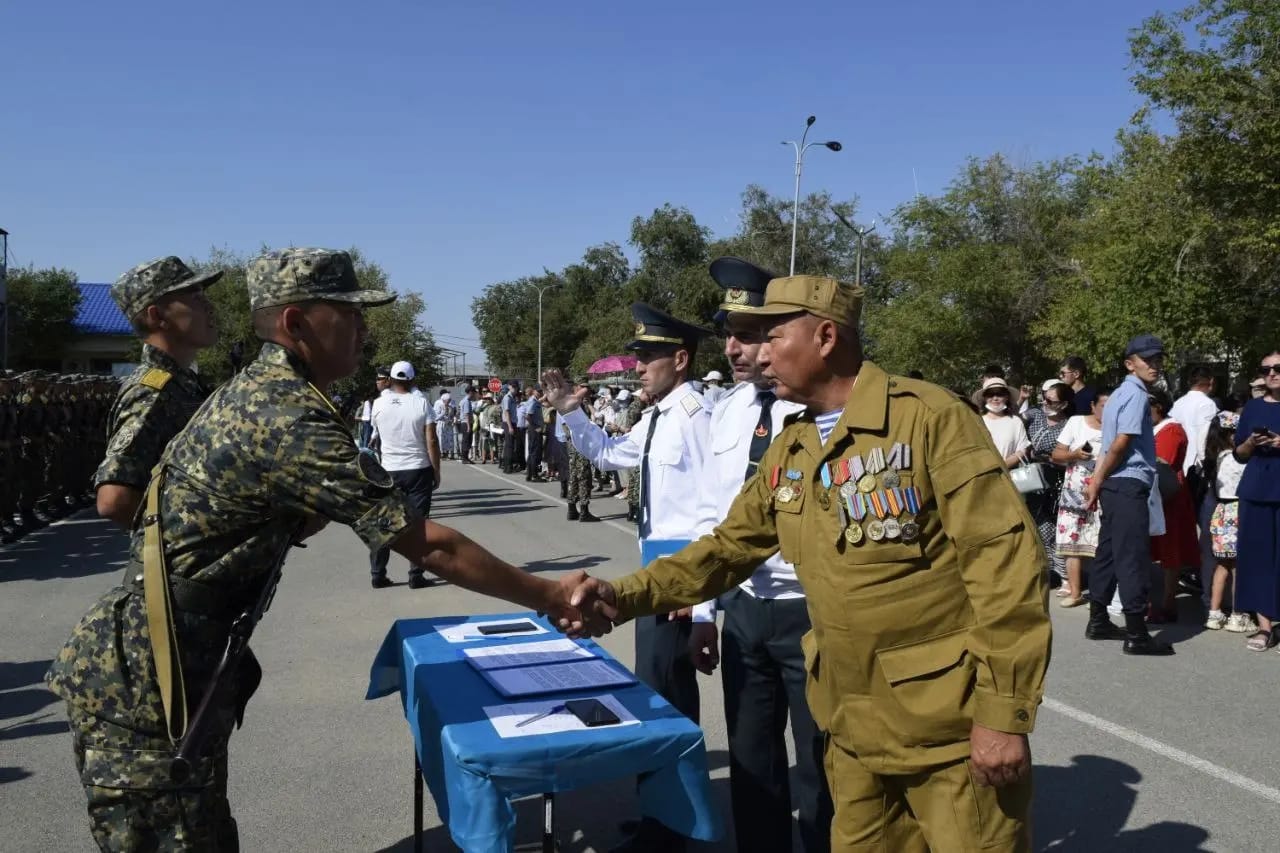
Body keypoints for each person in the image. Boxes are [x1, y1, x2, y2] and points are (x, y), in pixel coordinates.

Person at [45, 247, 587, 851]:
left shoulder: (274, 395)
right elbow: (427, 544)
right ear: (296, 324)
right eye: (347, 314)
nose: (364, 328)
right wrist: (550, 592)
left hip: (180, 657)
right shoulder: (284, 415)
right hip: (155, 672)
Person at [563, 274, 1051, 853]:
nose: (758, 353)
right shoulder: (793, 446)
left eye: (773, 336)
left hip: (946, 735)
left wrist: (1002, 715)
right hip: (851, 732)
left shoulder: (929, 420)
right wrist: (620, 596)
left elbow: (1008, 571)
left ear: (824, 337)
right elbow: (725, 550)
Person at [544, 303, 713, 852]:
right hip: (656, 569)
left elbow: (716, 512)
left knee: (667, 701)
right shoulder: (659, 416)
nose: (638, 367)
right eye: (638, 357)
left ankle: (674, 828)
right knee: (656, 696)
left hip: (681, 577)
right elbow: (609, 453)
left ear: (680, 360)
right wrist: (571, 411)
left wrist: (705, 599)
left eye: (649, 357)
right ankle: (661, 816)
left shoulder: (698, 418)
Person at [687, 256, 830, 853]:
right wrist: (701, 612)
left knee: (822, 768)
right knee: (751, 761)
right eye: (731, 334)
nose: (736, 349)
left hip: (812, 611)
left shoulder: (823, 414)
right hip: (745, 607)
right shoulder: (727, 413)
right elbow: (709, 517)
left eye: (751, 335)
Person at [94, 256, 222, 528]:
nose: (210, 307)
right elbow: (114, 499)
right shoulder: (152, 392)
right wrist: (181, 544)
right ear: (157, 316)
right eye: (196, 298)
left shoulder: (183, 383)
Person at [1082, 334, 1174, 656]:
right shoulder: (1135, 396)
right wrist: (1098, 480)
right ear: (1130, 363)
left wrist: (1098, 480)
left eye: (1158, 359)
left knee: (1107, 552)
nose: (1154, 365)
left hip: (1114, 484)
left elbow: (1109, 445)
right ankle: (1136, 634)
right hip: (1127, 482)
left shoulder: (1120, 393)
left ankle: (1098, 621)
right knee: (1132, 555)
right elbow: (1120, 444)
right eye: (1147, 359)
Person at [369, 360, 441, 589]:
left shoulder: (378, 404)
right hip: (418, 468)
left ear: (390, 379)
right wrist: (436, 470)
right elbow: (431, 439)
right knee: (418, 524)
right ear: (412, 379)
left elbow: (377, 438)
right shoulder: (421, 403)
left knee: (384, 523)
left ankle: (377, 573)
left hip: (389, 468)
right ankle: (415, 575)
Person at [1232, 351, 1280, 652]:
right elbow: (1238, 453)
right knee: (1258, 557)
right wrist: (1251, 443)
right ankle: (1264, 626)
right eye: (1266, 369)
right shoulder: (1252, 406)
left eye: (1277, 368)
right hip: (1257, 487)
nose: (1272, 373)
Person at [1052, 391, 1110, 606]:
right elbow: (1056, 455)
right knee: (1071, 542)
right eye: (1104, 405)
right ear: (1093, 405)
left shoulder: (1116, 427)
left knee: (1099, 542)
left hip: (1103, 490)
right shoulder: (1076, 423)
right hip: (1074, 490)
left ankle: (1099, 596)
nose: (1107, 411)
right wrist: (1075, 455)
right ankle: (1075, 592)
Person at [1149, 388, 1201, 623]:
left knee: (1170, 550)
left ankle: (1167, 602)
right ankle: (1156, 600)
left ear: (1158, 406)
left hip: (1169, 496)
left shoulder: (1171, 430)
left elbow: (1162, 463)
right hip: (1154, 494)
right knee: (1154, 549)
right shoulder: (1154, 429)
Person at [1024, 382, 1074, 589]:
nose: (1045, 403)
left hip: (1054, 481)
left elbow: (1070, 456)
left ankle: (1057, 573)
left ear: (1063, 404)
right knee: (1033, 524)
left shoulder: (1070, 425)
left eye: (1051, 400)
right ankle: (1040, 569)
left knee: (1050, 528)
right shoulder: (1034, 416)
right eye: (1044, 398)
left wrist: (1049, 458)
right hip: (1028, 479)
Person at [1204, 411, 1250, 631]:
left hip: (1222, 512)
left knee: (1222, 564)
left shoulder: (1218, 456)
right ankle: (1237, 614)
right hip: (1239, 511)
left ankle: (1214, 613)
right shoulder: (1236, 458)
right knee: (1239, 567)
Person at [562, 378, 600, 523]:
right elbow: (571, 426)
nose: (586, 390)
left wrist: (588, 404)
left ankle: (572, 509)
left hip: (579, 444)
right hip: (578, 445)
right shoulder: (571, 403)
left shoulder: (580, 403)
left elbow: (595, 417)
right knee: (583, 477)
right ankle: (583, 511)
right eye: (583, 387)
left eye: (588, 388)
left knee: (576, 477)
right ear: (576, 387)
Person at [979, 377, 1030, 468]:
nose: (995, 398)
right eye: (990, 395)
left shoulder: (1015, 421)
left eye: (1000, 394)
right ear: (985, 398)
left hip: (1010, 476)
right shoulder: (978, 422)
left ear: (1007, 397)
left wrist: (1002, 467)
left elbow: (1022, 450)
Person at [357, 367, 390, 449]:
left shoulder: (379, 402)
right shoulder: (374, 402)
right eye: (376, 379)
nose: (377, 381)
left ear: (388, 380)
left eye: (379, 379)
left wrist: (372, 439)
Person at [523, 387, 547, 482]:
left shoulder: (535, 400)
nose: (539, 393)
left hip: (534, 429)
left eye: (541, 391)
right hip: (534, 429)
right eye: (538, 391)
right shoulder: (533, 401)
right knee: (535, 453)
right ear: (534, 391)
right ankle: (534, 475)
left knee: (532, 452)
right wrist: (535, 427)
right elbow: (528, 416)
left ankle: (530, 474)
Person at [457, 386, 478, 463]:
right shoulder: (466, 401)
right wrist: (469, 426)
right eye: (474, 392)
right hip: (466, 423)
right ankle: (464, 458)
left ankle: (465, 457)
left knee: (467, 440)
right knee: (466, 440)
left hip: (465, 423)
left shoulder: (464, 400)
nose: (475, 394)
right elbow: (466, 414)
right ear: (470, 392)